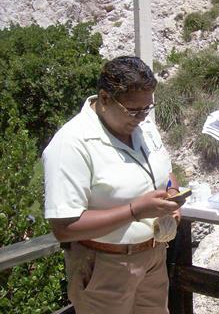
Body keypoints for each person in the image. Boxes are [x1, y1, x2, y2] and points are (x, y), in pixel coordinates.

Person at [42, 56, 183, 314]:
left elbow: (166, 172)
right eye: (133, 110)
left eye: (146, 109)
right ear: (105, 98)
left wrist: (172, 194)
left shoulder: (144, 126)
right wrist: (135, 211)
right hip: (105, 266)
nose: (141, 118)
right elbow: (63, 227)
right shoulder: (71, 143)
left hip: (154, 257)